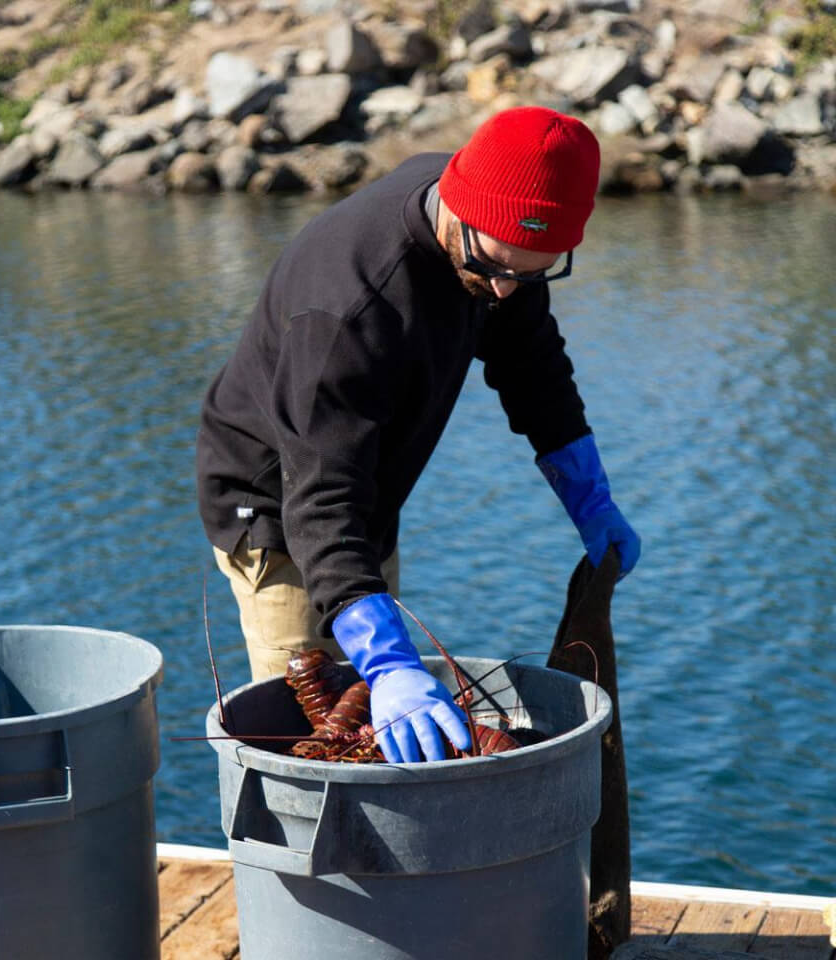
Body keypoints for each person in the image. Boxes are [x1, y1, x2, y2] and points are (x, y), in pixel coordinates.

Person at [196, 106, 641, 764]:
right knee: (306, 737)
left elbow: (535, 373)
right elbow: (321, 500)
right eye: (493, 267)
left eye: (530, 273)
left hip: (365, 493)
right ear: (459, 211)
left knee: (386, 730)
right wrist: (387, 665)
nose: (501, 289)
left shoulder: (503, 245)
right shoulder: (346, 307)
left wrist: (591, 500)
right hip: (279, 505)